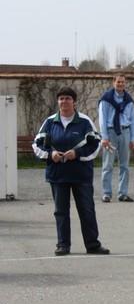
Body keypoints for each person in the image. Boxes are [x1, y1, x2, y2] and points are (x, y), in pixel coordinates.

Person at [32, 87, 110, 256]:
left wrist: (78, 154)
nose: (64, 101)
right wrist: (50, 154)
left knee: (87, 210)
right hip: (57, 175)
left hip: (81, 175)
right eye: (61, 98)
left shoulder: (84, 121)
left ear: (74, 102)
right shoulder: (50, 122)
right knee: (61, 211)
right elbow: (36, 145)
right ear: (57, 102)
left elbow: (95, 145)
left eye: (67, 98)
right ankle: (63, 245)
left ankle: (92, 245)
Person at [99, 74, 134, 203]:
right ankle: (106, 193)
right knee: (108, 164)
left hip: (125, 132)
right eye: (118, 82)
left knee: (124, 165)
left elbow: (133, 120)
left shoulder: (129, 100)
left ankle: (123, 193)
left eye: (123, 82)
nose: (120, 84)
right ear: (113, 82)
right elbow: (102, 119)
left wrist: (132, 138)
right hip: (110, 133)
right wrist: (104, 137)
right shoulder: (106, 99)